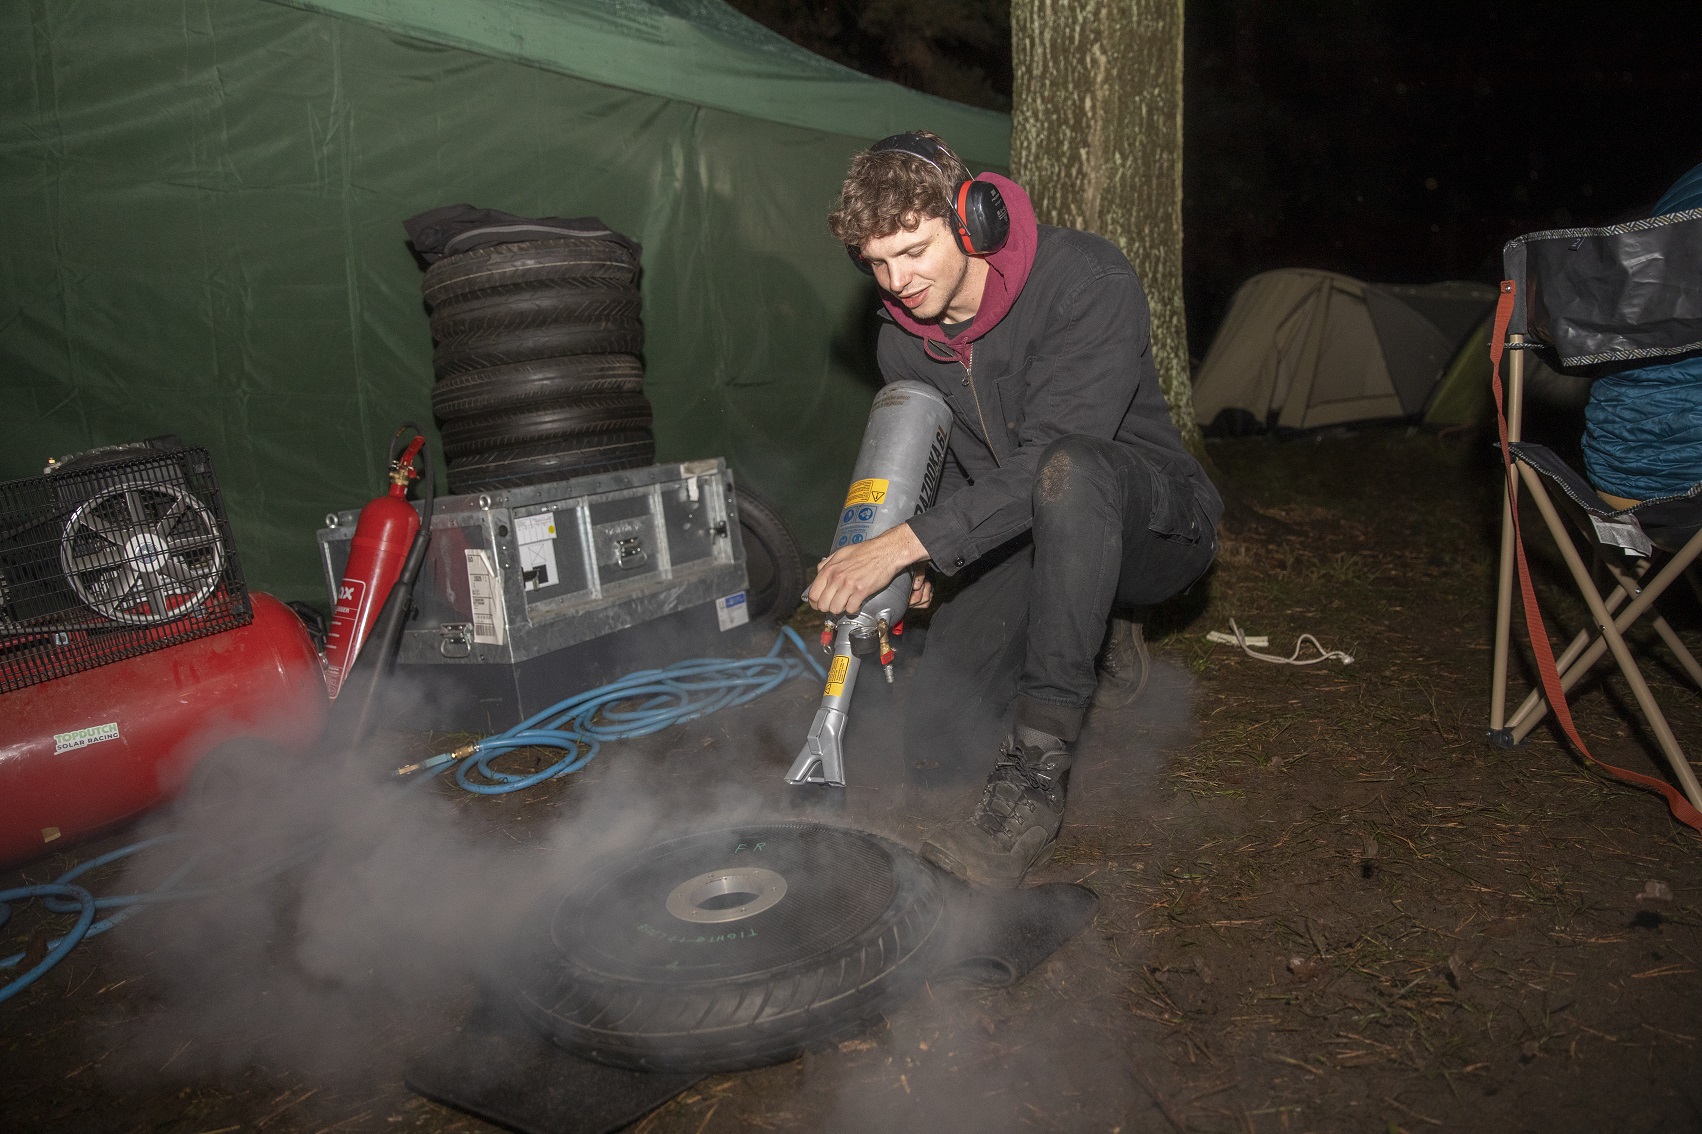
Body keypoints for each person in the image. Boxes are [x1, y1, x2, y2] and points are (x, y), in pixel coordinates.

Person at [808, 131, 1222, 888]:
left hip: (1157, 522)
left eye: (913, 250)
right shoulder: (903, 346)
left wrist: (908, 543)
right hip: (1032, 525)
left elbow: (1051, 460)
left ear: (972, 220)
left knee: (1069, 472)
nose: (897, 281)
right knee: (936, 748)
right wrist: (925, 560)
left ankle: (1034, 777)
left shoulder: (1085, 279)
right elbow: (972, 479)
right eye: (877, 263)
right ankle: (1091, 617)